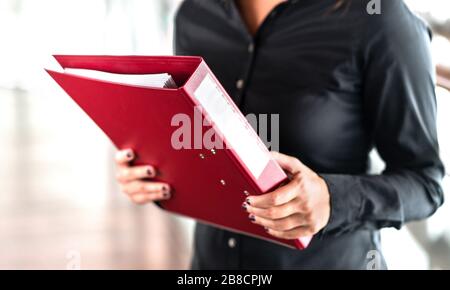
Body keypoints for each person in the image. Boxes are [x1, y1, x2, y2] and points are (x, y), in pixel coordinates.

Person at [114, 0, 445, 269]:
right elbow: (199, 144)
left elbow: (425, 184)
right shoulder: (195, 13)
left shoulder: (380, 19)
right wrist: (155, 172)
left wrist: (333, 200)